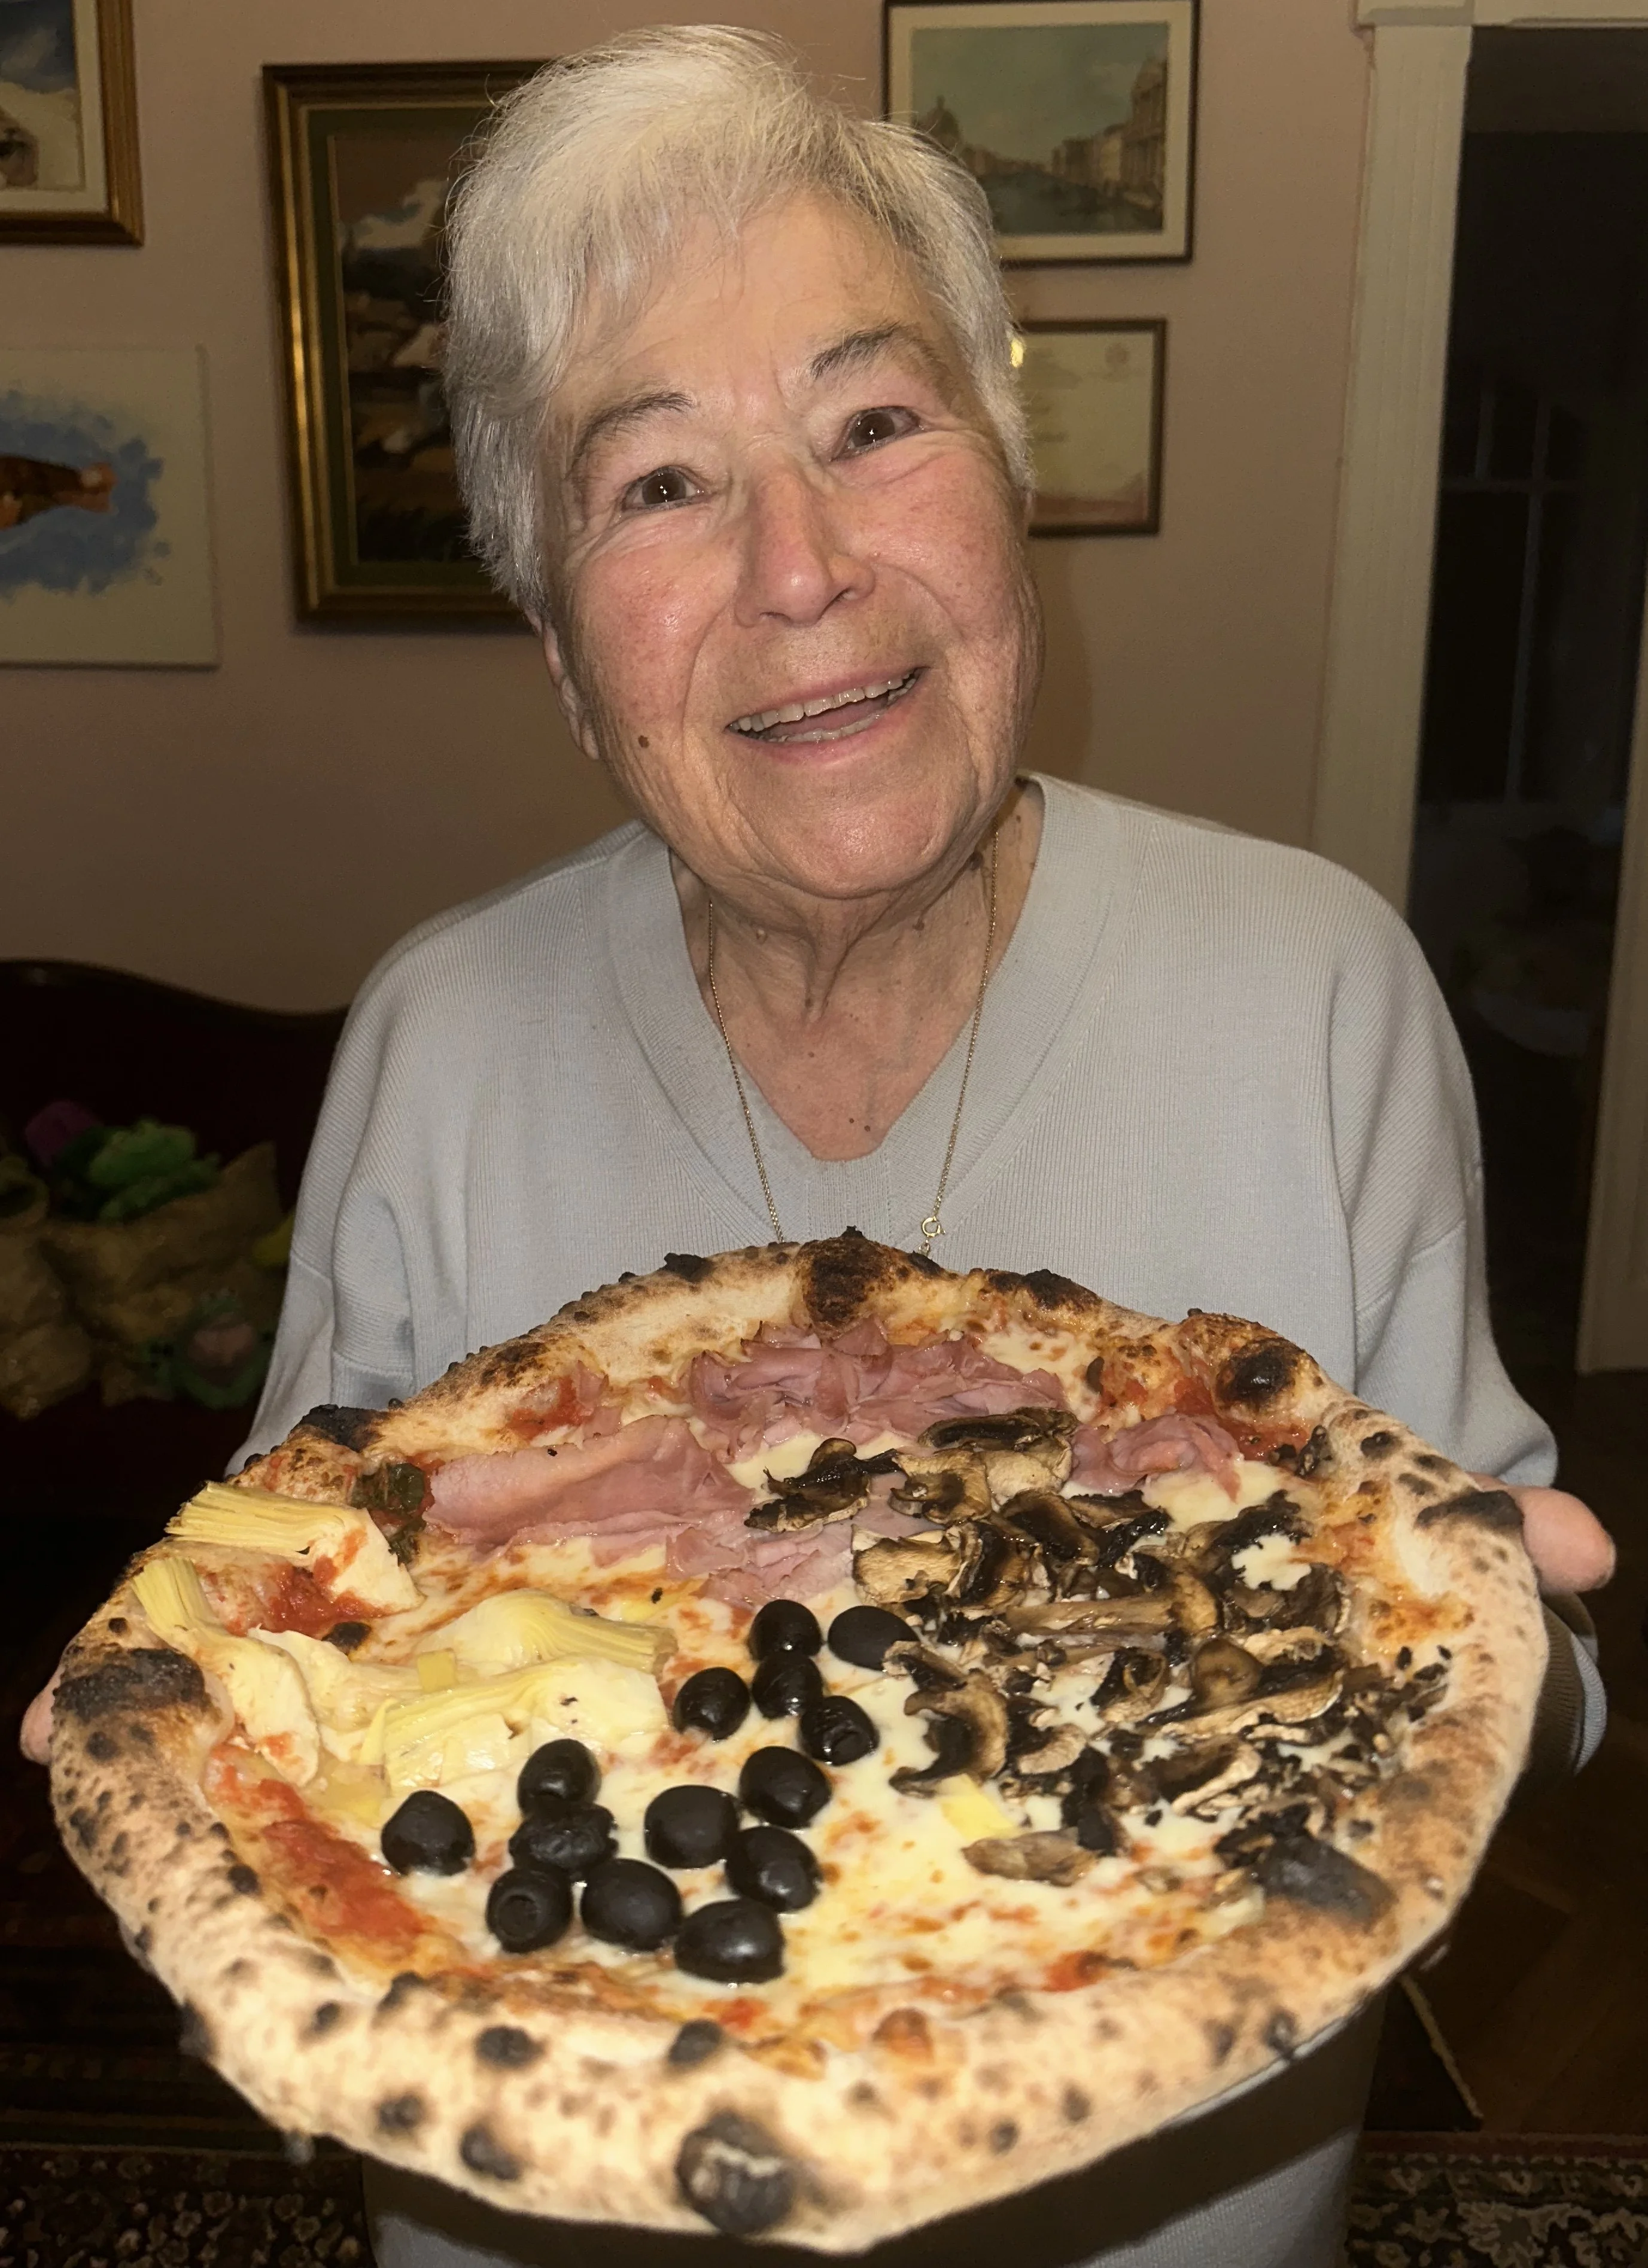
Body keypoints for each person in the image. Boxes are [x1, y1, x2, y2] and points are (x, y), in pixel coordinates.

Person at [22, 25, 1613, 2267]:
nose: (801, 564)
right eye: (660, 482)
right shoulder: (443, 1039)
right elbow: (272, 1659)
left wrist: (1505, 1653)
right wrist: (205, 1748)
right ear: (573, 657)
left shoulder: (1320, 985)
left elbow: (1489, 1625)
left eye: (874, 422)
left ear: (1007, 488)